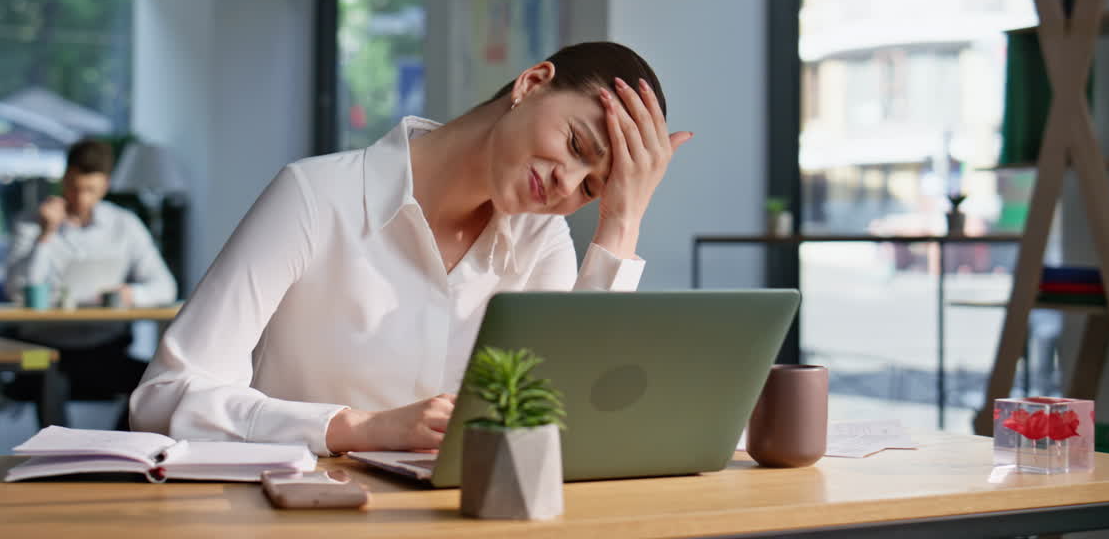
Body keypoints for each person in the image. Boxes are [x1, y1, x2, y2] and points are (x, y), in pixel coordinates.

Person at [130, 41, 690, 454]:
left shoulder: (540, 242)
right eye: (575, 145)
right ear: (531, 83)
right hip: (301, 518)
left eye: (590, 188)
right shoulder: (316, 196)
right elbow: (163, 399)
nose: (568, 184)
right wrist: (356, 428)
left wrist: (622, 219)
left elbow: (562, 430)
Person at [5, 138, 177, 426]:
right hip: (42, 350)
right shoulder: (31, 223)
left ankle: (118, 451)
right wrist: (46, 236)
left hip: (104, 348)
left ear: (106, 186)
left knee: (157, 383)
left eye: (90, 190)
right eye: (73, 187)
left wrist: (130, 294)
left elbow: (165, 286)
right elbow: (15, 291)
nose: (81, 198)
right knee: (46, 378)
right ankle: (58, 462)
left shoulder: (125, 225)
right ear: (63, 180)